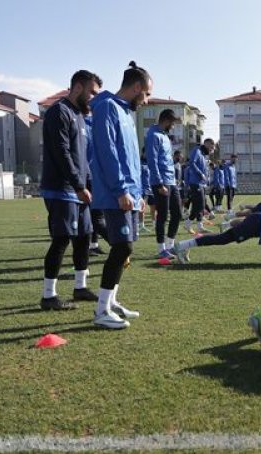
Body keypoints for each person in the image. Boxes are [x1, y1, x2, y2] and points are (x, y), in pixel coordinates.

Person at [89, 61, 152, 329]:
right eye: (146, 93)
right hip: (117, 194)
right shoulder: (107, 108)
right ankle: (101, 310)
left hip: (130, 194)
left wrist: (139, 194)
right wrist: (121, 190)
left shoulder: (127, 113)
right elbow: (108, 153)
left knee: (126, 248)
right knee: (122, 247)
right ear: (136, 87)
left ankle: (111, 301)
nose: (147, 100)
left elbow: (132, 160)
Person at [40, 70, 101, 310]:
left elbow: (83, 158)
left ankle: (80, 287)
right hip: (61, 189)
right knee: (62, 239)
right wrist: (77, 185)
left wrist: (87, 185)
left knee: (84, 238)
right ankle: (48, 296)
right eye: (92, 92)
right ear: (78, 87)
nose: (93, 98)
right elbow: (61, 152)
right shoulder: (58, 112)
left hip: (79, 190)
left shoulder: (80, 116)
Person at [147, 109, 182, 259]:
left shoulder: (165, 136)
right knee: (162, 215)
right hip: (161, 182)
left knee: (178, 213)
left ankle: (170, 245)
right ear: (166, 121)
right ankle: (161, 249)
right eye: (173, 123)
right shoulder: (153, 135)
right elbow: (152, 161)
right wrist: (159, 183)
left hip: (171, 181)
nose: (173, 127)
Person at [84, 114, 108, 257]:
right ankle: (117, 244)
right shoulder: (83, 124)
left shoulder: (96, 125)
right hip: (88, 176)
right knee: (96, 216)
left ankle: (93, 245)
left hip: (96, 176)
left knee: (95, 215)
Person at [185, 138, 214, 234]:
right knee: (200, 205)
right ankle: (196, 225)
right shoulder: (197, 150)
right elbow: (191, 163)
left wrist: (207, 180)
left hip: (202, 183)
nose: (211, 149)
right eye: (210, 146)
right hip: (195, 183)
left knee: (198, 206)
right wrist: (200, 174)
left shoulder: (204, 155)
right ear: (206, 144)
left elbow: (205, 169)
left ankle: (189, 224)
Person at [139, 151, 153, 233]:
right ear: (143, 153)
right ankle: (139, 226)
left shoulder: (149, 163)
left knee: (143, 209)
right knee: (140, 208)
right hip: (141, 189)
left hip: (148, 189)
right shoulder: (140, 164)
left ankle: (142, 225)